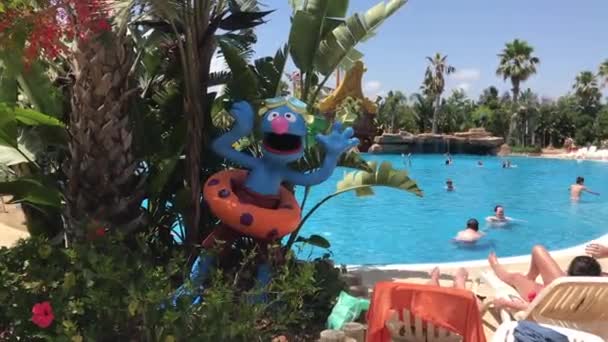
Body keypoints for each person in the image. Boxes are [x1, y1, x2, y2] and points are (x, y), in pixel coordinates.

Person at [487, 246, 603, 311]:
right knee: (538, 254)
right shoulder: (601, 287)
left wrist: (506, 303)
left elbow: (533, 308)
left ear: (569, 275)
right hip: (574, 300)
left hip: (552, 302)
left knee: (516, 277)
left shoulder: (564, 291)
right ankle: (530, 277)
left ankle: (495, 265)